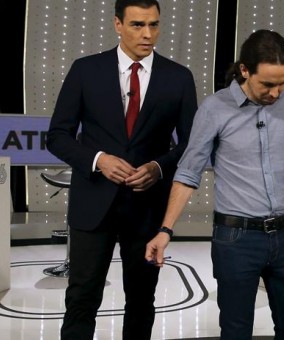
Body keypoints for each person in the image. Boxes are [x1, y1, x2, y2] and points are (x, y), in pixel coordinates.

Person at [145, 29, 284, 340]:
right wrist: (165, 230)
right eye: (268, 85)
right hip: (236, 240)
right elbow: (188, 173)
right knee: (235, 331)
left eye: (282, 84)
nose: (276, 93)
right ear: (244, 70)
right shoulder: (214, 108)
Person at [46, 0, 198, 338]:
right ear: (118, 24)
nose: (147, 34)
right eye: (137, 25)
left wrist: (159, 167)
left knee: (142, 300)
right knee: (82, 297)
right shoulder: (85, 70)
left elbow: (192, 144)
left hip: (147, 210)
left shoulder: (179, 78)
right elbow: (57, 136)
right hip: (92, 207)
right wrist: (98, 159)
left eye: (154, 25)